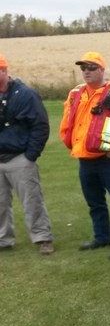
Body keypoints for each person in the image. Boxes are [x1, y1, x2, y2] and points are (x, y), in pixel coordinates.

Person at [59, 51, 110, 251]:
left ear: (102, 69)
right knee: (94, 202)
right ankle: (101, 237)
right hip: (85, 159)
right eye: (83, 68)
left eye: (91, 67)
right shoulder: (75, 93)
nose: (86, 71)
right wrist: (71, 143)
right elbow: (67, 122)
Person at [0, 53, 55, 255]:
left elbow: (40, 126)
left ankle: (43, 238)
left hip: (20, 157)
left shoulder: (25, 95)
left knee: (32, 200)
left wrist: (30, 155)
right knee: (0, 204)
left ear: (4, 70)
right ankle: (3, 239)